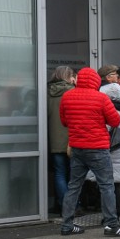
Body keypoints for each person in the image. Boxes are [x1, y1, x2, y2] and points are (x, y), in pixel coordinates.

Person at [59, 67, 120, 236]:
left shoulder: (67, 96)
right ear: (96, 81)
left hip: (77, 147)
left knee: (74, 186)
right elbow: (115, 120)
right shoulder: (101, 98)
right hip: (97, 147)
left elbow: (64, 121)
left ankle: (67, 225)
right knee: (106, 185)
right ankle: (111, 224)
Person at [87, 82, 120, 219]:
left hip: (107, 150)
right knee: (117, 183)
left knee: (107, 185)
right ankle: (117, 212)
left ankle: (110, 215)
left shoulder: (110, 112)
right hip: (119, 151)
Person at [47, 66, 75, 215]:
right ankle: (71, 207)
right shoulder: (72, 92)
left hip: (54, 138)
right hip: (72, 138)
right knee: (73, 174)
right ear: (69, 76)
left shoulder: (46, 91)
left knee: (59, 173)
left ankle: (63, 206)